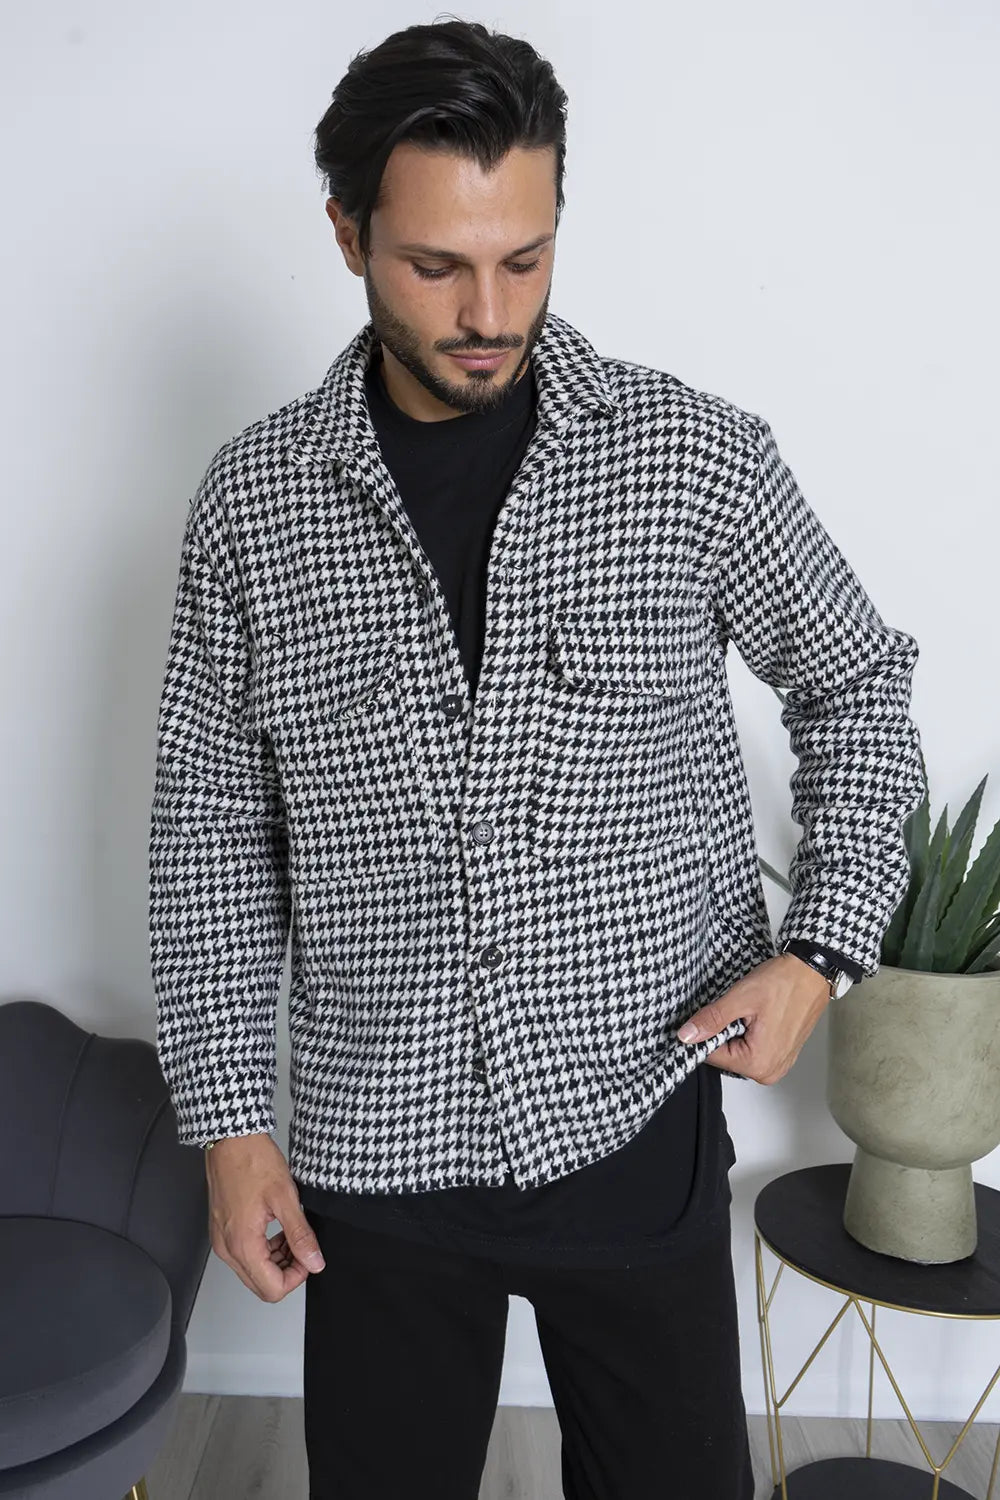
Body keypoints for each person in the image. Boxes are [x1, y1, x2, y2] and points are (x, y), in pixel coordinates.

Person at [147, 19, 926, 1500]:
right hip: (378, 1152)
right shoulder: (253, 503)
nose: (488, 311)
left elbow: (858, 686)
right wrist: (229, 1127)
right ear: (347, 234)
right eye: (436, 266)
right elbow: (209, 837)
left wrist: (821, 952)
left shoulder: (692, 459)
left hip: (633, 1111)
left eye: (526, 256)